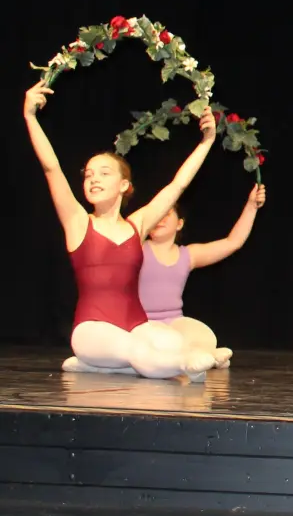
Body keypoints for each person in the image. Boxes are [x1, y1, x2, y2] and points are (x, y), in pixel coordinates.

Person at [23, 80, 218, 379]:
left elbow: (177, 185)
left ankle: (99, 366)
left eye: (104, 173)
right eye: (88, 175)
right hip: (93, 329)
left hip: (136, 324)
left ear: (124, 185)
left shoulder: (136, 226)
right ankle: (173, 365)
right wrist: (30, 117)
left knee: (172, 341)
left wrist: (206, 143)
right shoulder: (78, 222)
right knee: (140, 352)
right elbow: (52, 168)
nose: (94, 179)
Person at [139, 184, 268, 369]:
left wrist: (251, 206)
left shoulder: (188, 255)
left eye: (167, 214)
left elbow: (233, 242)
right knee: (162, 343)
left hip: (175, 321)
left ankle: (203, 355)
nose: (160, 219)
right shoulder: (137, 248)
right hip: (143, 323)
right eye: (157, 214)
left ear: (180, 223)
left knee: (204, 335)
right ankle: (204, 358)